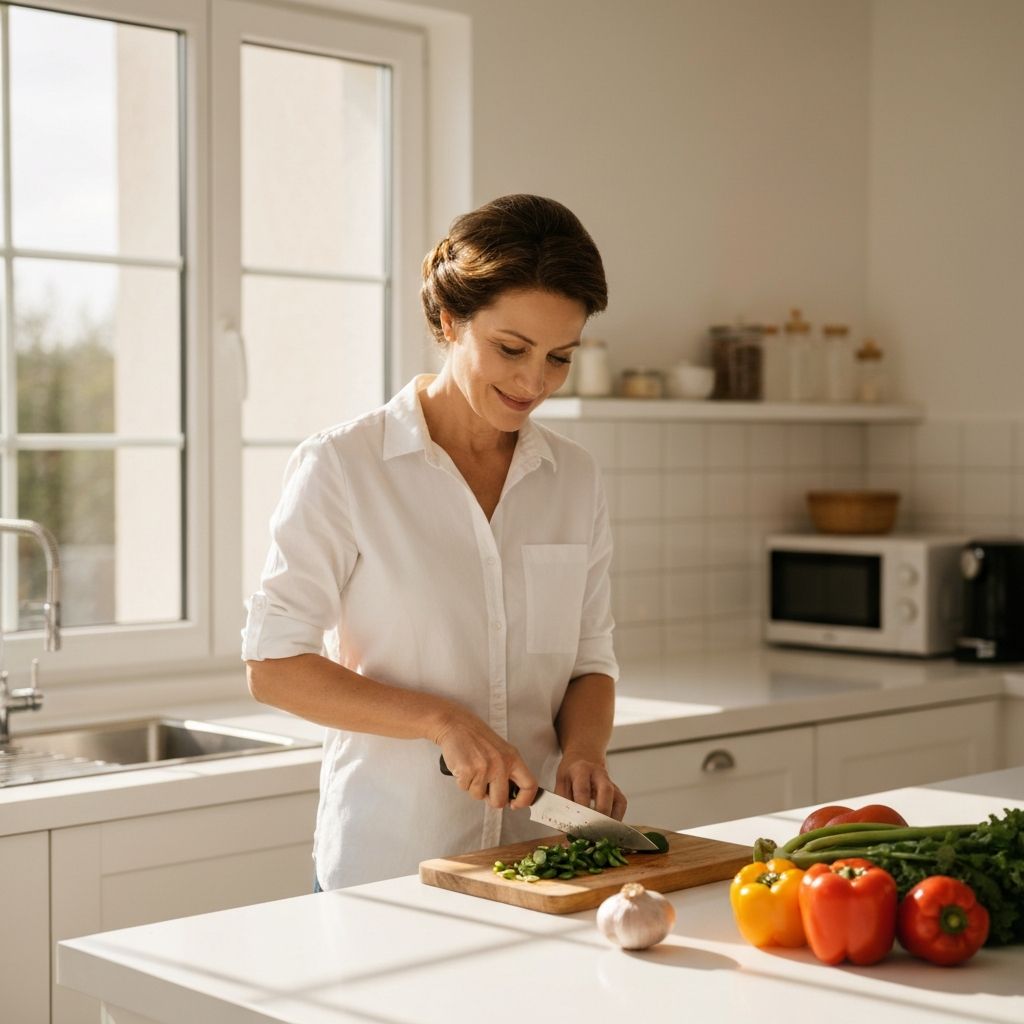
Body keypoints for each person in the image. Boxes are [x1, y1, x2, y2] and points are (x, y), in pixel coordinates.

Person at [242, 193, 625, 891]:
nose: (533, 382)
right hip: (389, 869)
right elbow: (273, 665)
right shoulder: (345, 467)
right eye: (510, 349)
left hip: (538, 866)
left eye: (559, 358)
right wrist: (440, 720)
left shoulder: (575, 479)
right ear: (449, 322)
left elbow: (589, 661)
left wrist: (585, 750)